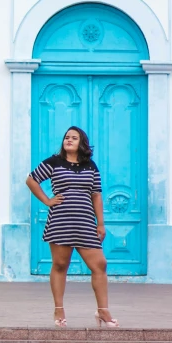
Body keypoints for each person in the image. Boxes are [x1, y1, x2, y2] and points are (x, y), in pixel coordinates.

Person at [26, 126, 119, 328]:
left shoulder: (90, 166)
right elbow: (31, 180)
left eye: (74, 138)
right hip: (60, 221)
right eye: (66, 137)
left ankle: (103, 311)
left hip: (86, 223)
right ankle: (59, 310)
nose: (68, 140)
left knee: (100, 264)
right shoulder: (53, 162)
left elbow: (96, 195)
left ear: (81, 142)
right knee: (60, 265)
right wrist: (47, 201)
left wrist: (100, 223)